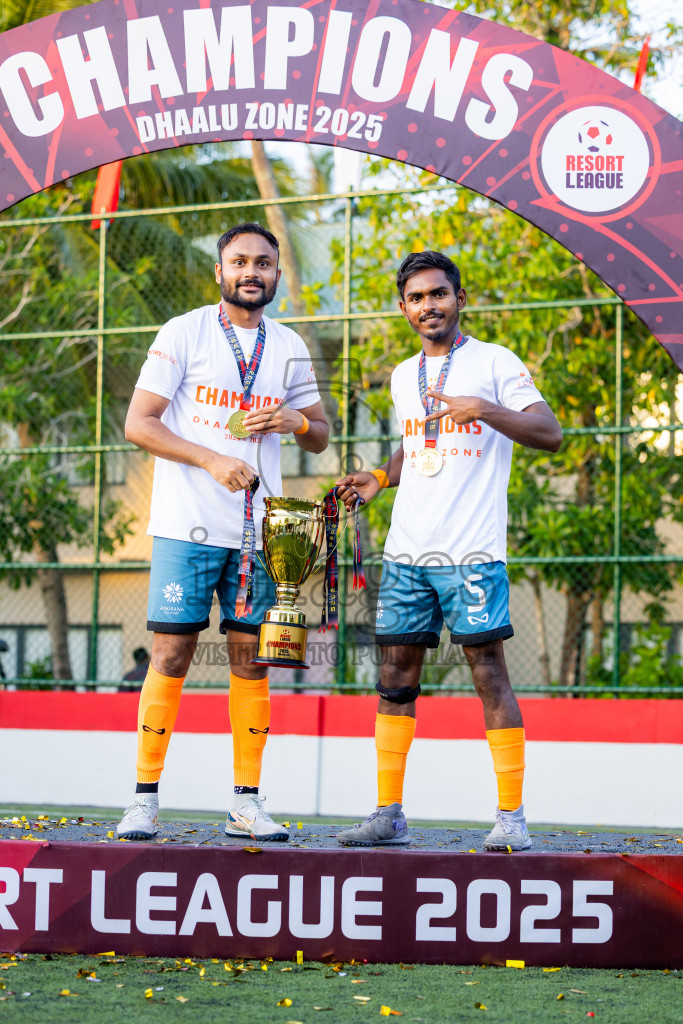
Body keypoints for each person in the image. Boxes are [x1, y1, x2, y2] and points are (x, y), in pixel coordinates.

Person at [335, 250, 562, 851]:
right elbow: (416, 446)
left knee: (488, 671)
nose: (428, 305)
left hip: (473, 553)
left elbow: (551, 434)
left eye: (438, 294)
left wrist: (484, 408)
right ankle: (388, 813)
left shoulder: (494, 363)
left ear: (460, 299)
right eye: (416, 297)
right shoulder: (402, 375)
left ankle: (510, 818)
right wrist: (379, 480)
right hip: (408, 553)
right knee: (393, 675)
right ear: (404, 308)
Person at [117, 222, 328, 842]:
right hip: (186, 526)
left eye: (264, 262)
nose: (251, 272)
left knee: (251, 664)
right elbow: (139, 423)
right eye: (240, 261)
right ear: (220, 271)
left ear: (277, 274)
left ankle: (245, 803)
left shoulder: (288, 346)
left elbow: (320, 433)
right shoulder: (183, 332)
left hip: (259, 537)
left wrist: (294, 420)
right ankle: (145, 801)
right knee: (171, 654)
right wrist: (210, 459)